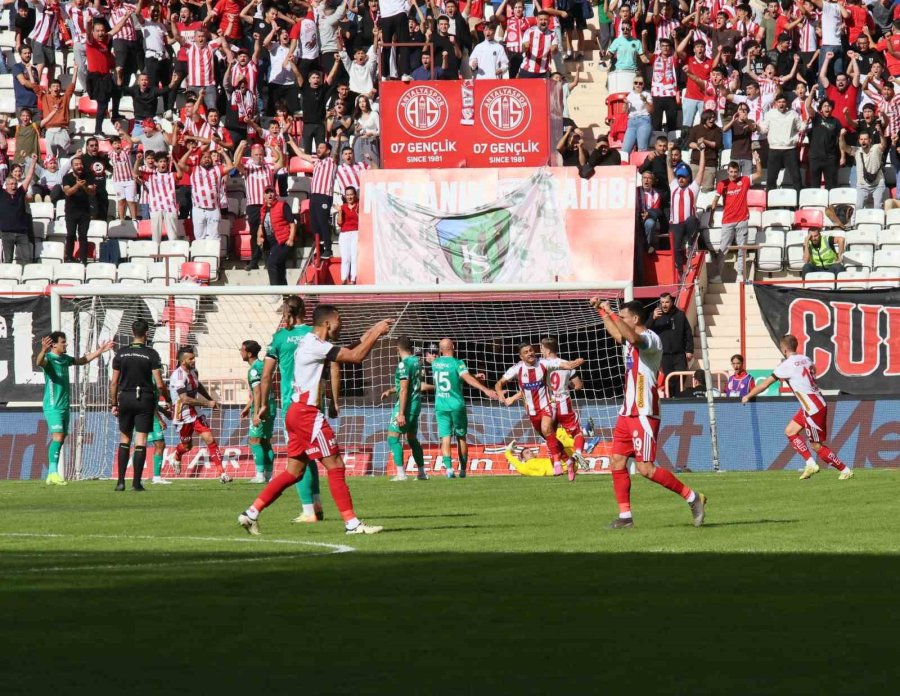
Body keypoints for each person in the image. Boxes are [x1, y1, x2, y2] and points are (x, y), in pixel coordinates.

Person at [238, 306, 393, 536]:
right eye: (340, 320)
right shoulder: (314, 344)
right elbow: (355, 356)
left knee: (294, 472)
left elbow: (346, 349)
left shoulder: (311, 342)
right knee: (336, 465)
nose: (342, 325)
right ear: (328, 323)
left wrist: (371, 332)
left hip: (295, 412)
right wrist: (377, 333)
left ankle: (251, 513)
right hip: (307, 414)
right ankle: (352, 524)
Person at [590, 297, 707, 528]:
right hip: (627, 412)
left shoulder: (651, 339)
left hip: (644, 411)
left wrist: (610, 312)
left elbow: (634, 338)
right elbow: (618, 334)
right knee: (617, 461)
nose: (620, 320)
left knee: (645, 468)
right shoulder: (628, 339)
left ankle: (693, 497)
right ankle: (625, 517)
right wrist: (601, 312)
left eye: (623, 317)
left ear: (635, 319)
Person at [258, 296, 338, 523]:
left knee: (298, 458)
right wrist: (334, 400)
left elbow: (266, 375)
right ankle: (316, 506)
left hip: (292, 404)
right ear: (305, 310)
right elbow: (334, 366)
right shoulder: (313, 333)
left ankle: (308, 511)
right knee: (311, 456)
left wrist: (263, 404)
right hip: (315, 402)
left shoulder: (280, 337)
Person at [742, 334, 853, 480]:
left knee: (816, 445)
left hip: (812, 408)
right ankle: (810, 463)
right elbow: (812, 372)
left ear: (784, 349)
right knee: (790, 431)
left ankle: (845, 470)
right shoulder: (806, 359)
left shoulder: (786, 366)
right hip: (813, 403)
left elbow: (764, 384)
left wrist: (748, 395)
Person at [34, 331, 113, 485]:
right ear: (54, 344)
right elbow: (39, 362)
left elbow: (82, 360)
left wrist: (101, 350)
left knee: (61, 438)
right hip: (53, 406)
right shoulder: (49, 359)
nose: (66, 344)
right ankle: (53, 473)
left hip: (64, 406)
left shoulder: (65, 359)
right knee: (57, 437)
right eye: (63, 342)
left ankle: (51, 474)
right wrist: (43, 350)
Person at [496, 343, 582, 478]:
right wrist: (500, 393)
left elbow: (564, 365)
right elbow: (499, 383)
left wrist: (574, 363)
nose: (530, 353)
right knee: (550, 438)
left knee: (546, 428)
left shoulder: (543, 363)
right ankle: (568, 461)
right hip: (532, 411)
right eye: (526, 352)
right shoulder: (517, 369)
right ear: (521, 356)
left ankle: (557, 463)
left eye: (531, 350)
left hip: (547, 405)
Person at [109, 319, 169, 491]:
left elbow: (114, 383)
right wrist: (168, 399)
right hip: (144, 399)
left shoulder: (121, 353)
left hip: (125, 398)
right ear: (147, 334)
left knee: (124, 439)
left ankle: (120, 482)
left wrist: (114, 403)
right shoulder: (151, 354)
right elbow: (159, 384)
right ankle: (136, 483)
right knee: (140, 440)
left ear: (132, 332)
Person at [428, 338, 498, 478]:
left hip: (441, 406)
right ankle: (463, 470)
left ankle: (449, 469)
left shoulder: (435, 364)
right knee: (461, 436)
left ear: (440, 350)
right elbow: (464, 377)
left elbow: (457, 376)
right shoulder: (458, 363)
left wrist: (473, 376)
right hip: (456, 405)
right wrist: (485, 389)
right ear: (453, 346)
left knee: (445, 437)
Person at [169, 346, 231, 483]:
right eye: (191, 358)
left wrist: (210, 399)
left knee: (210, 439)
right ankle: (177, 455)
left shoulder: (194, 371)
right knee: (187, 446)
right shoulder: (178, 376)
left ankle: (222, 473)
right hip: (182, 415)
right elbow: (184, 399)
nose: (194, 360)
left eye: (194, 357)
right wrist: (207, 403)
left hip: (196, 412)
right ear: (183, 361)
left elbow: (198, 386)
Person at [380, 337, 429, 481]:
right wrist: (390, 391)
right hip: (416, 405)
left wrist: (401, 413)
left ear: (397, 349)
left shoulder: (404, 364)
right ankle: (422, 473)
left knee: (392, 438)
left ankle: (401, 474)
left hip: (405, 406)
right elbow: (413, 385)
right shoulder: (417, 362)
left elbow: (404, 389)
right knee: (412, 439)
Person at [708, 157, 763, 283]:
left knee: (742, 249)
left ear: (739, 172)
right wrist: (711, 216)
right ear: (727, 171)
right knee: (723, 249)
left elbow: (759, 174)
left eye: (735, 172)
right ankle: (717, 276)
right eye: (731, 172)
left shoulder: (744, 180)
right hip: (727, 221)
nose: (733, 174)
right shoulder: (722, 184)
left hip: (742, 220)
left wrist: (757, 161)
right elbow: (715, 201)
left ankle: (740, 275)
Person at [539, 336, 587, 480]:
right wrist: (566, 385)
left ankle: (561, 462)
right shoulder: (567, 364)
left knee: (550, 436)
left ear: (547, 350)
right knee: (577, 433)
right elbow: (578, 386)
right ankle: (577, 453)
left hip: (548, 404)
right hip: (564, 402)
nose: (540, 351)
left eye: (541, 348)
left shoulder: (541, 365)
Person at [667, 144, 706, 280]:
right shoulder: (673, 186)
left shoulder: (693, 188)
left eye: (683, 177)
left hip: (688, 223)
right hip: (676, 224)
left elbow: (701, 169)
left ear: (689, 178)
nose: (681, 179)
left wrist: (702, 152)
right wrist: (669, 150)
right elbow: (668, 167)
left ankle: (691, 245)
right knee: (676, 247)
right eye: (679, 177)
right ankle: (680, 270)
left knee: (692, 219)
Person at [240, 339, 276, 485]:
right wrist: (247, 407)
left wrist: (255, 413)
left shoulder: (254, 369)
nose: (240, 352)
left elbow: (257, 392)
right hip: (271, 406)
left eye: (242, 350)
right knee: (265, 441)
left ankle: (260, 475)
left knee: (254, 440)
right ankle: (268, 475)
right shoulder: (263, 366)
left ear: (249, 354)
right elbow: (260, 391)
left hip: (262, 408)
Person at [294, 141, 338, 258]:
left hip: (324, 195)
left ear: (328, 151)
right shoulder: (316, 160)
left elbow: (336, 152)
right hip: (314, 195)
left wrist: (338, 138)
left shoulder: (331, 161)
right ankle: (319, 248)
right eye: (318, 147)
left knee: (323, 221)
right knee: (314, 224)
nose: (318, 149)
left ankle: (328, 249)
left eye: (321, 147)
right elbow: (301, 155)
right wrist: (291, 142)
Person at [647, 292, 694, 392]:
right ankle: (671, 398)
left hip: (679, 354)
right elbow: (645, 331)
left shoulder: (680, 314)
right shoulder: (655, 315)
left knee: (681, 377)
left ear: (672, 302)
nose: (664, 305)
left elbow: (688, 333)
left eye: (667, 302)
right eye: (662, 302)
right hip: (664, 355)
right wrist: (652, 318)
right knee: (670, 380)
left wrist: (689, 350)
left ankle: (678, 397)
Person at [757, 93, 804, 193]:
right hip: (774, 150)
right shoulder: (770, 114)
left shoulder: (793, 113)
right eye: (779, 102)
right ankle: (770, 201)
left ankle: (799, 200)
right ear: (775, 103)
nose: (781, 104)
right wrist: (756, 127)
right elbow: (764, 130)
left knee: (796, 177)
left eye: (783, 102)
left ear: (786, 103)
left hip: (790, 150)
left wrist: (806, 123)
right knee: (771, 179)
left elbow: (801, 127)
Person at [257, 186, 295, 287]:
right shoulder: (263, 209)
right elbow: (261, 225)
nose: (270, 195)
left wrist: (291, 239)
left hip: (283, 240)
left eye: (272, 192)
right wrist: (259, 237)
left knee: (271, 263)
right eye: (267, 192)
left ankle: (274, 290)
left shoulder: (283, 206)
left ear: (275, 194)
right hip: (270, 243)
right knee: (280, 267)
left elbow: (292, 224)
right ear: (264, 195)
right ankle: (285, 293)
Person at [61, 155, 96, 264]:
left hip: (85, 211)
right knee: (70, 234)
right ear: (72, 167)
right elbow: (68, 192)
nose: (79, 166)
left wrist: (84, 186)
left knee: (83, 235)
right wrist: (77, 185)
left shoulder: (88, 176)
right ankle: (69, 257)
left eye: (80, 164)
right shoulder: (67, 177)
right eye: (76, 164)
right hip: (71, 211)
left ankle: (83, 259)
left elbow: (92, 192)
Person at [841, 130, 886, 210]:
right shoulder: (856, 151)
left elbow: (884, 144)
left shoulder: (876, 148)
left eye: (865, 139)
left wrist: (881, 134)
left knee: (878, 207)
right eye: (861, 139)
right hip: (862, 185)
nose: (863, 141)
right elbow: (843, 147)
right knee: (858, 207)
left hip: (878, 184)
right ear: (859, 141)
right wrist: (841, 136)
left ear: (870, 140)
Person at [622, 74, 652, 155]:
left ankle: (642, 164)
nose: (638, 85)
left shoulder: (646, 94)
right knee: (624, 151)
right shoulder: (629, 95)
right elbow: (625, 111)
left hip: (643, 120)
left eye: (640, 83)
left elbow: (650, 110)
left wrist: (645, 101)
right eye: (636, 83)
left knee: (642, 150)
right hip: (631, 123)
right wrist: (625, 104)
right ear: (633, 84)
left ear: (643, 85)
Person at [336, 185, 359, 284]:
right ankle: (344, 279)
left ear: (355, 195)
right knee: (345, 258)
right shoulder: (343, 207)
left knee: (354, 257)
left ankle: (353, 279)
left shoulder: (359, 206)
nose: (349, 197)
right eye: (347, 195)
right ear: (345, 196)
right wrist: (340, 212)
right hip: (344, 233)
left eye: (351, 195)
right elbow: (339, 223)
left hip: (356, 232)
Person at [146, 400, 172, 485]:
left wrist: (164, 411)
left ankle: (136, 479)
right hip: (150, 416)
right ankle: (156, 477)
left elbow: (154, 404)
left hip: (142, 413)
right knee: (160, 444)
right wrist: (160, 420)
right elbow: (150, 403)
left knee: (140, 444)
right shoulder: (154, 390)